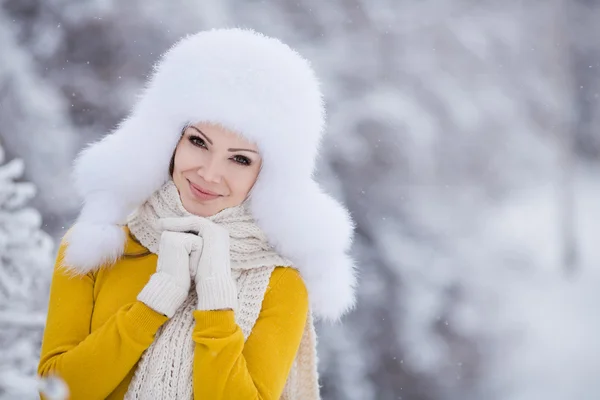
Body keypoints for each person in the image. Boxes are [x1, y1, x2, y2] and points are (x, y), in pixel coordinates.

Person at [37, 28, 356, 400]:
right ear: (169, 140)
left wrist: (217, 301)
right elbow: (56, 392)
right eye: (198, 142)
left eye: (239, 159)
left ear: (267, 174)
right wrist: (153, 303)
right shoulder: (97, 247)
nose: (209, 173)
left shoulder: (280, 284)